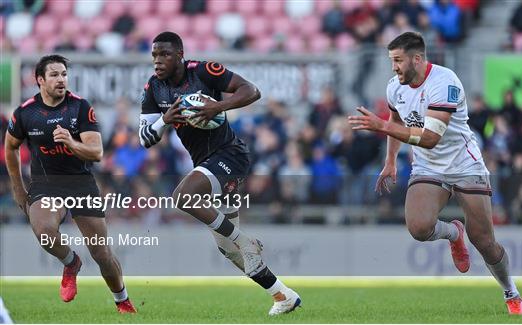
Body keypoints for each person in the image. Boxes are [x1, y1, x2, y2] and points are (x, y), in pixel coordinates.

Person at [348, 32, 522, 315]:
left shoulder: (445, 83)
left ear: (417, 59)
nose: (393, 67)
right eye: (391, 61)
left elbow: (431, 137)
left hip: (463, 163)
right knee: (418, 227)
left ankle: (510, 292)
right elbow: (396, 120)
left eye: (398, 60)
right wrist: (391, 160)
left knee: (484, 241)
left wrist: (380, 126)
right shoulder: (395, 87)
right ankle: (454, 232)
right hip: (428, 166)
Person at [138, 31, 301, 315]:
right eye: (154, 55)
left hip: (230, 155)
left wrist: (218, 105)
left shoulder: (202, 71)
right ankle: (282, 295)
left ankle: (245, 240)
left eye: (164, 54)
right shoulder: (154, 88)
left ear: (179, 54)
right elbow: (144, 138)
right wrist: (165, 121)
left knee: (184, 197)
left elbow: (251, 90)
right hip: (205, 164)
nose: (157, 61)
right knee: (228, 249)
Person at [4, 55, 136, 313]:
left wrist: (71, 143)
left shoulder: (79, 107)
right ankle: (71, 262)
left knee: (101, 254)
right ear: (40, 80)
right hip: (45, 183)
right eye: (54, 75)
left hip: (80, 183)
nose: (61, 79)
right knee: (43, 229)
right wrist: (18, 188)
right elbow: (10, 147)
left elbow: (96, 152)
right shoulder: (25, 112)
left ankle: (122, 300)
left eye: (64, 74)